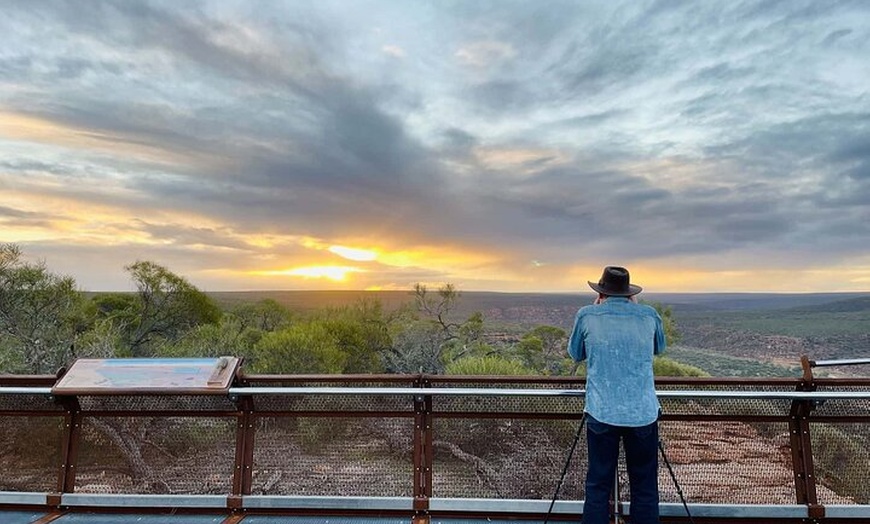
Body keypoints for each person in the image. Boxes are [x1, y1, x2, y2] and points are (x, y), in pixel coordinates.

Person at [568, 266, 666, 524]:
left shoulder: (587, 315)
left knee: (598, 485)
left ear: (601, 293)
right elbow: (660, 348)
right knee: (644, 485)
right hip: (642, 414)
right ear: (629, 293)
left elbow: (576, 353)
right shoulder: (649, 315)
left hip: (601, 412)